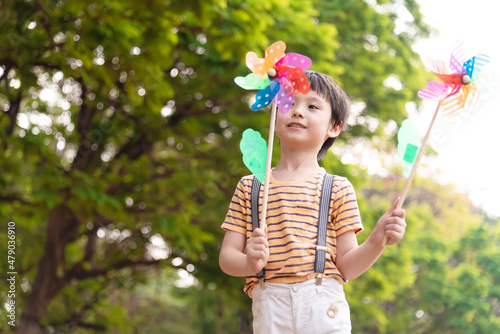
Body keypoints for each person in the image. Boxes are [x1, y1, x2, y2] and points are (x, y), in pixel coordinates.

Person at [219, 70, 406, 333]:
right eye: (287, 103)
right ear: (273, 115)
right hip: (271, 307)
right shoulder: (250, 186)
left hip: (323, 306)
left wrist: (376, 240)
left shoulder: (337, 188)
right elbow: (227, 258)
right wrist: (249, 263)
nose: (297, 111)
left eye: (313, 106)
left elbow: (347, 267)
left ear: (334, 126)